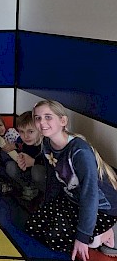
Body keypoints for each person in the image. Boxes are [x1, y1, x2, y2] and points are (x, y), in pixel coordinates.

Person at [26, 100, 117, 261]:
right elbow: (53, 181)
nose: (42, 122)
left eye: (48, 117)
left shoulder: (79, 151)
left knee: (55, 240)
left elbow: (90, 196)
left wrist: (83, 237)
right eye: (38, 118)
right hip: (74, 200)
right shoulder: (47, 143)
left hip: (101, 208)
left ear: (63, 121)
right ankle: (92, 233)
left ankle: (100, 235)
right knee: (33, 227)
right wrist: (48, 209)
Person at [5, 111, 45, 201]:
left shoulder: (46, 144)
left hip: (42, 176)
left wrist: (34, 162)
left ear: (40, 130)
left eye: (30, 131)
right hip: (27, 175)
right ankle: (27, 188)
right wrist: (20, 159)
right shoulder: (23, 142)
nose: (26, 136)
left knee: (37, 171)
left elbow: (52, 165)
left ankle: (42, 194)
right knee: (10, 166)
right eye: (22, 132)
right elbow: (19, 146)